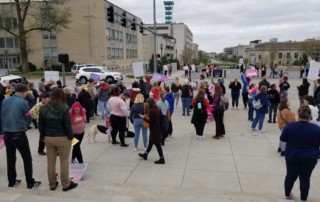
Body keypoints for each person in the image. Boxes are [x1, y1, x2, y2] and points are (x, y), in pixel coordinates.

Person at [2, 84, 41, 189]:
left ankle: (12, 181)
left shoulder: (5, 101)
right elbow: (28, 118)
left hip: (7, 134)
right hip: (18, 133)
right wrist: (25, 125)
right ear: (24, 92)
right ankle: (30, 182)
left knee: (10, 158)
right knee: (27, 158)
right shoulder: (23, 102)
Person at [38, 88, 77, 191]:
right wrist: (71, 138)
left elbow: (40, 125)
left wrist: (43, 137)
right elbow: (68, 127)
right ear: (62, 96)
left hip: (48, 138)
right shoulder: (64, 108)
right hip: (63, 138)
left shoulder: (43, 108)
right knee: (64, 162)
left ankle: (52, 184)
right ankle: (66, 184)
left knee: (50, 162)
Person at [280, 105, 320, 201]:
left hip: (293, 155)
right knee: (305, 178)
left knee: (290, 175)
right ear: (309, 115)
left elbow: (283, 139)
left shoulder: (290, 126)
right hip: (310, 157)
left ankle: (287, 194)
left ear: (298, 114)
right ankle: (303, 197)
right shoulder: (317, 128)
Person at [138, 98, 165, 164]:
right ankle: (146, 154)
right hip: (157, 128)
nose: (146, 104)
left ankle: (162, 159)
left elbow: (150, 121)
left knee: (157, 144)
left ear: (149, 103)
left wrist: (143, 117)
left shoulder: (152, 110)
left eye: (147, 103)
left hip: (154, 130)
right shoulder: (157, 108)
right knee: (151, 142)